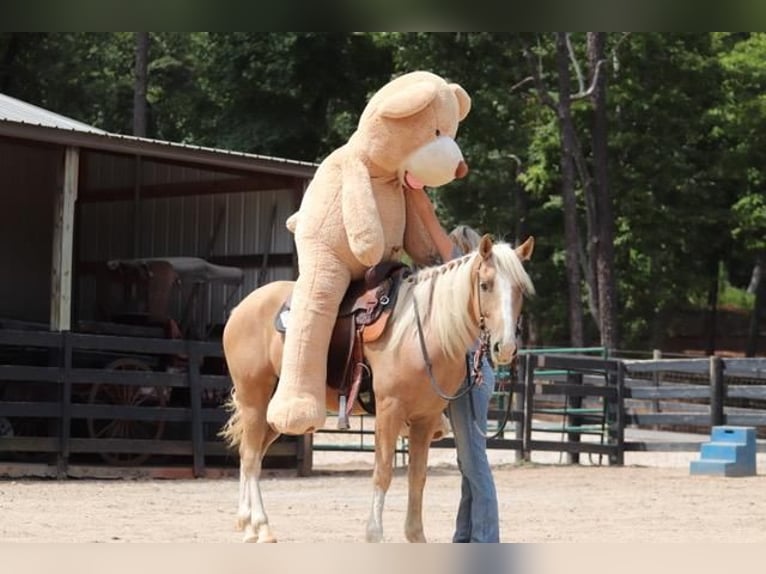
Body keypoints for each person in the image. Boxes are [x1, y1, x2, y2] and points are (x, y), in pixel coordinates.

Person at [446, 224, 500, 543]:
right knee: (468, 464)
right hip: (477, 374)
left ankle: (485, 542)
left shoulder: (467, 287)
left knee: (474, 464)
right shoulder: (477, 289)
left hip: (469, 375)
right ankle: (464, 537)